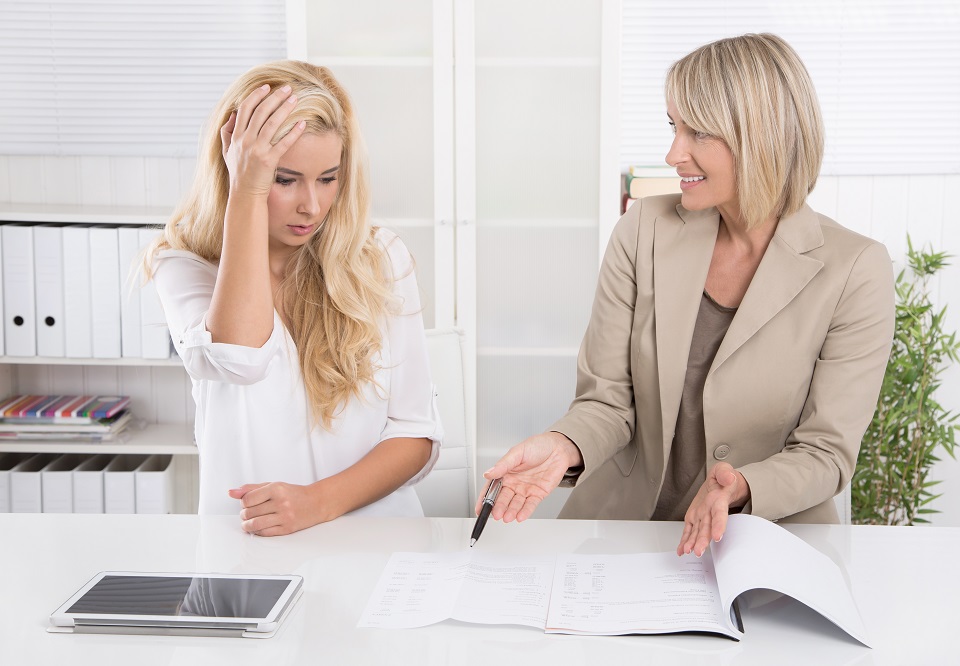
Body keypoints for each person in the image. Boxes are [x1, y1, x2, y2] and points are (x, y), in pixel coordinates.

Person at [479, 34, 894, 557]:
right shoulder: (644, 228)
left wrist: (742, 487)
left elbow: (826, 451)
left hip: (762, 542)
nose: (674, 153)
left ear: (761, 137)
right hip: (626, 530)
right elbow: (607, 402)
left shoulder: (855, 269)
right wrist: (563, 445)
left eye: (698, 131)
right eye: (673, 127)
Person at [144, 60, 442, 536]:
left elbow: (415, 435)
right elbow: (240, 359)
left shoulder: (380, 257)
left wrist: (316, 504)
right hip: (253, 552)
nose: (312, 206)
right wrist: (247, 191)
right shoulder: (184, 265)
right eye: (284, 180)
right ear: (234, 166)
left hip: (378, 543)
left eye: (327, 178)